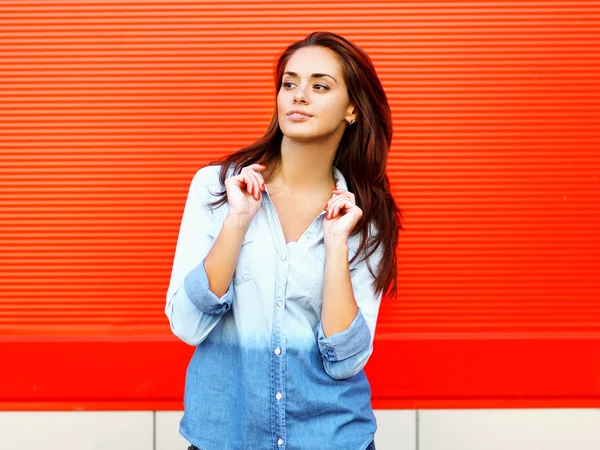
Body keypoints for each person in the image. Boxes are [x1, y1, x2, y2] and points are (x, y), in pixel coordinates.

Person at [165, 31, 402, 450]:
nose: (299, 96)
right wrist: (237, 222)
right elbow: (186, 325)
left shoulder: (365, 217)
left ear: (351, 109)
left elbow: (347, 361)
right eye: (290, 83)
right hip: (225, 436)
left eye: (320, 85)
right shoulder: (217, 188)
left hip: (332, 438)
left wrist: (335, 246)